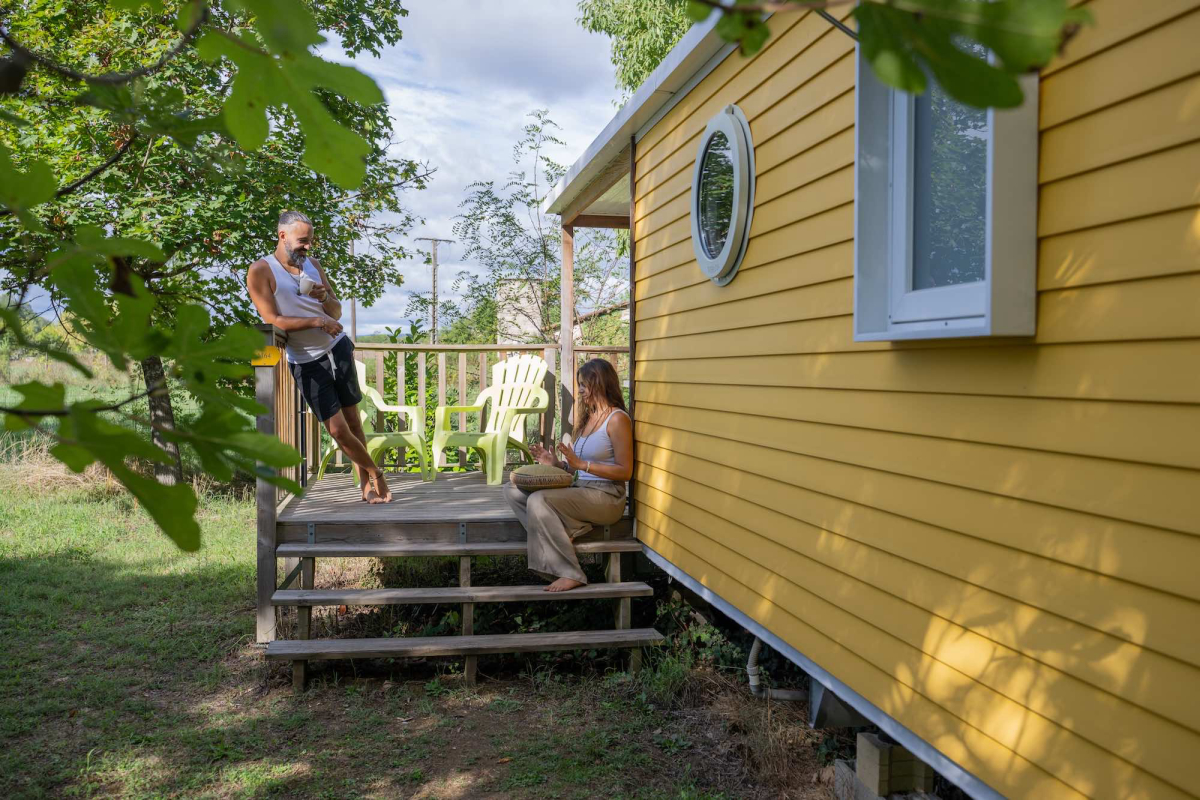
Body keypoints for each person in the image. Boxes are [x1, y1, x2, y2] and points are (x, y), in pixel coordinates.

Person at [246, 210, 392, 504]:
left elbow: (336, 312)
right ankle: (376, 473)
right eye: (303, 241)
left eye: (310, 241)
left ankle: (366, 487)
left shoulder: (312, 265)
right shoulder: (261, 271)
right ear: (282, 236)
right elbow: (272, 320)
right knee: (337, 430)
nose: (308, 247)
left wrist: (325, 299)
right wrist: (316, 322)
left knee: (353, 422)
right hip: (306, 360)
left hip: (337, 348)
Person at [503, 358, 633, 592]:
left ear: (600, 383)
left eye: (584, 384)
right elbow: (577, 468)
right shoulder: (588, 420)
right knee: (512, 490)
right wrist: (557, 465)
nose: (580, 390)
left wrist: (583, 465)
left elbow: (625, 471)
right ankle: (564, 533)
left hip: (607, 497)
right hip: (582, 491)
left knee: (539, 500)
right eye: (580, 384)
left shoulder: (617, 419)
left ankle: (570, 571)